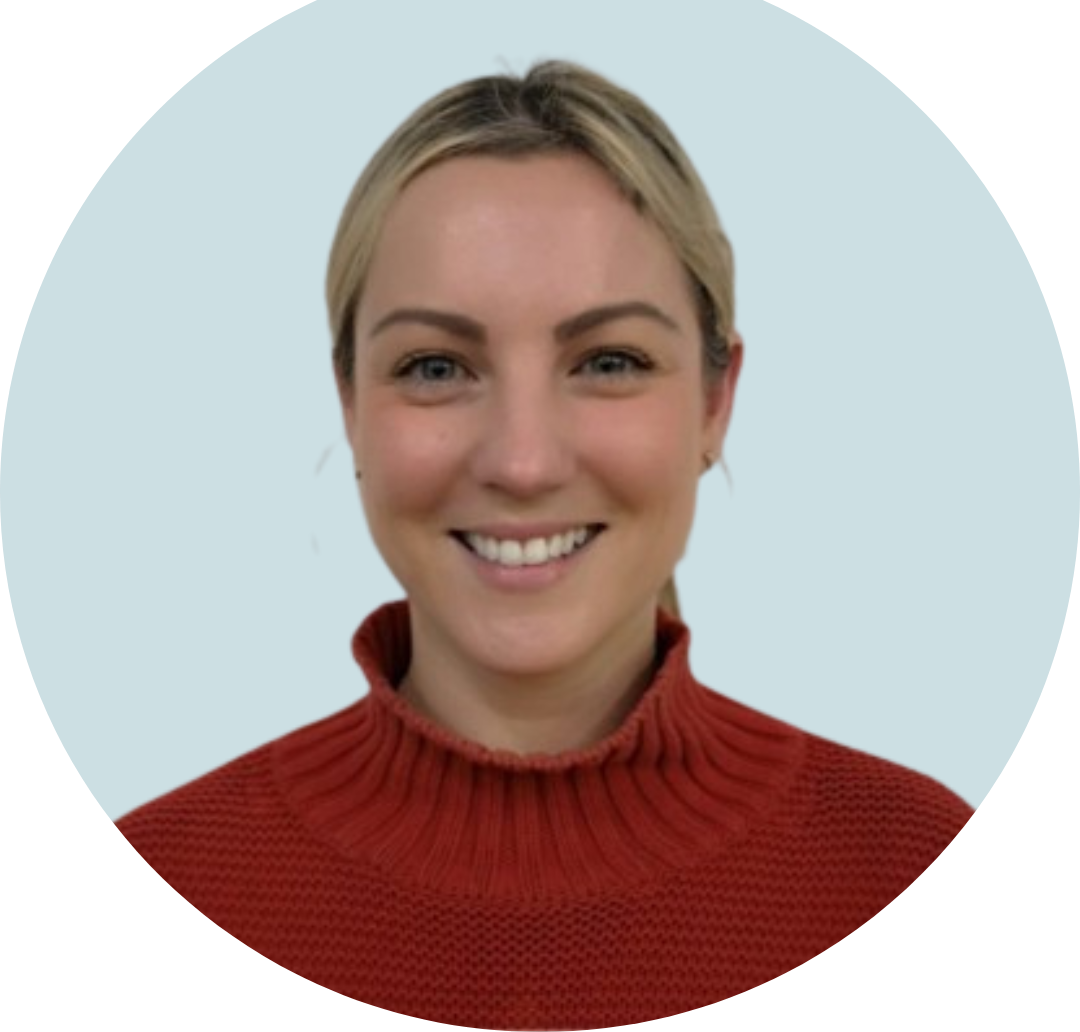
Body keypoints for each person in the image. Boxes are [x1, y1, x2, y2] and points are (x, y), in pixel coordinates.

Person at [115, 62, 975, 1025]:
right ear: (350, 405)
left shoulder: (905, 863)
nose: (522, 462)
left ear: (715, 402)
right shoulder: (170, 872)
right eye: (434, 367)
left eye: (609, 361)